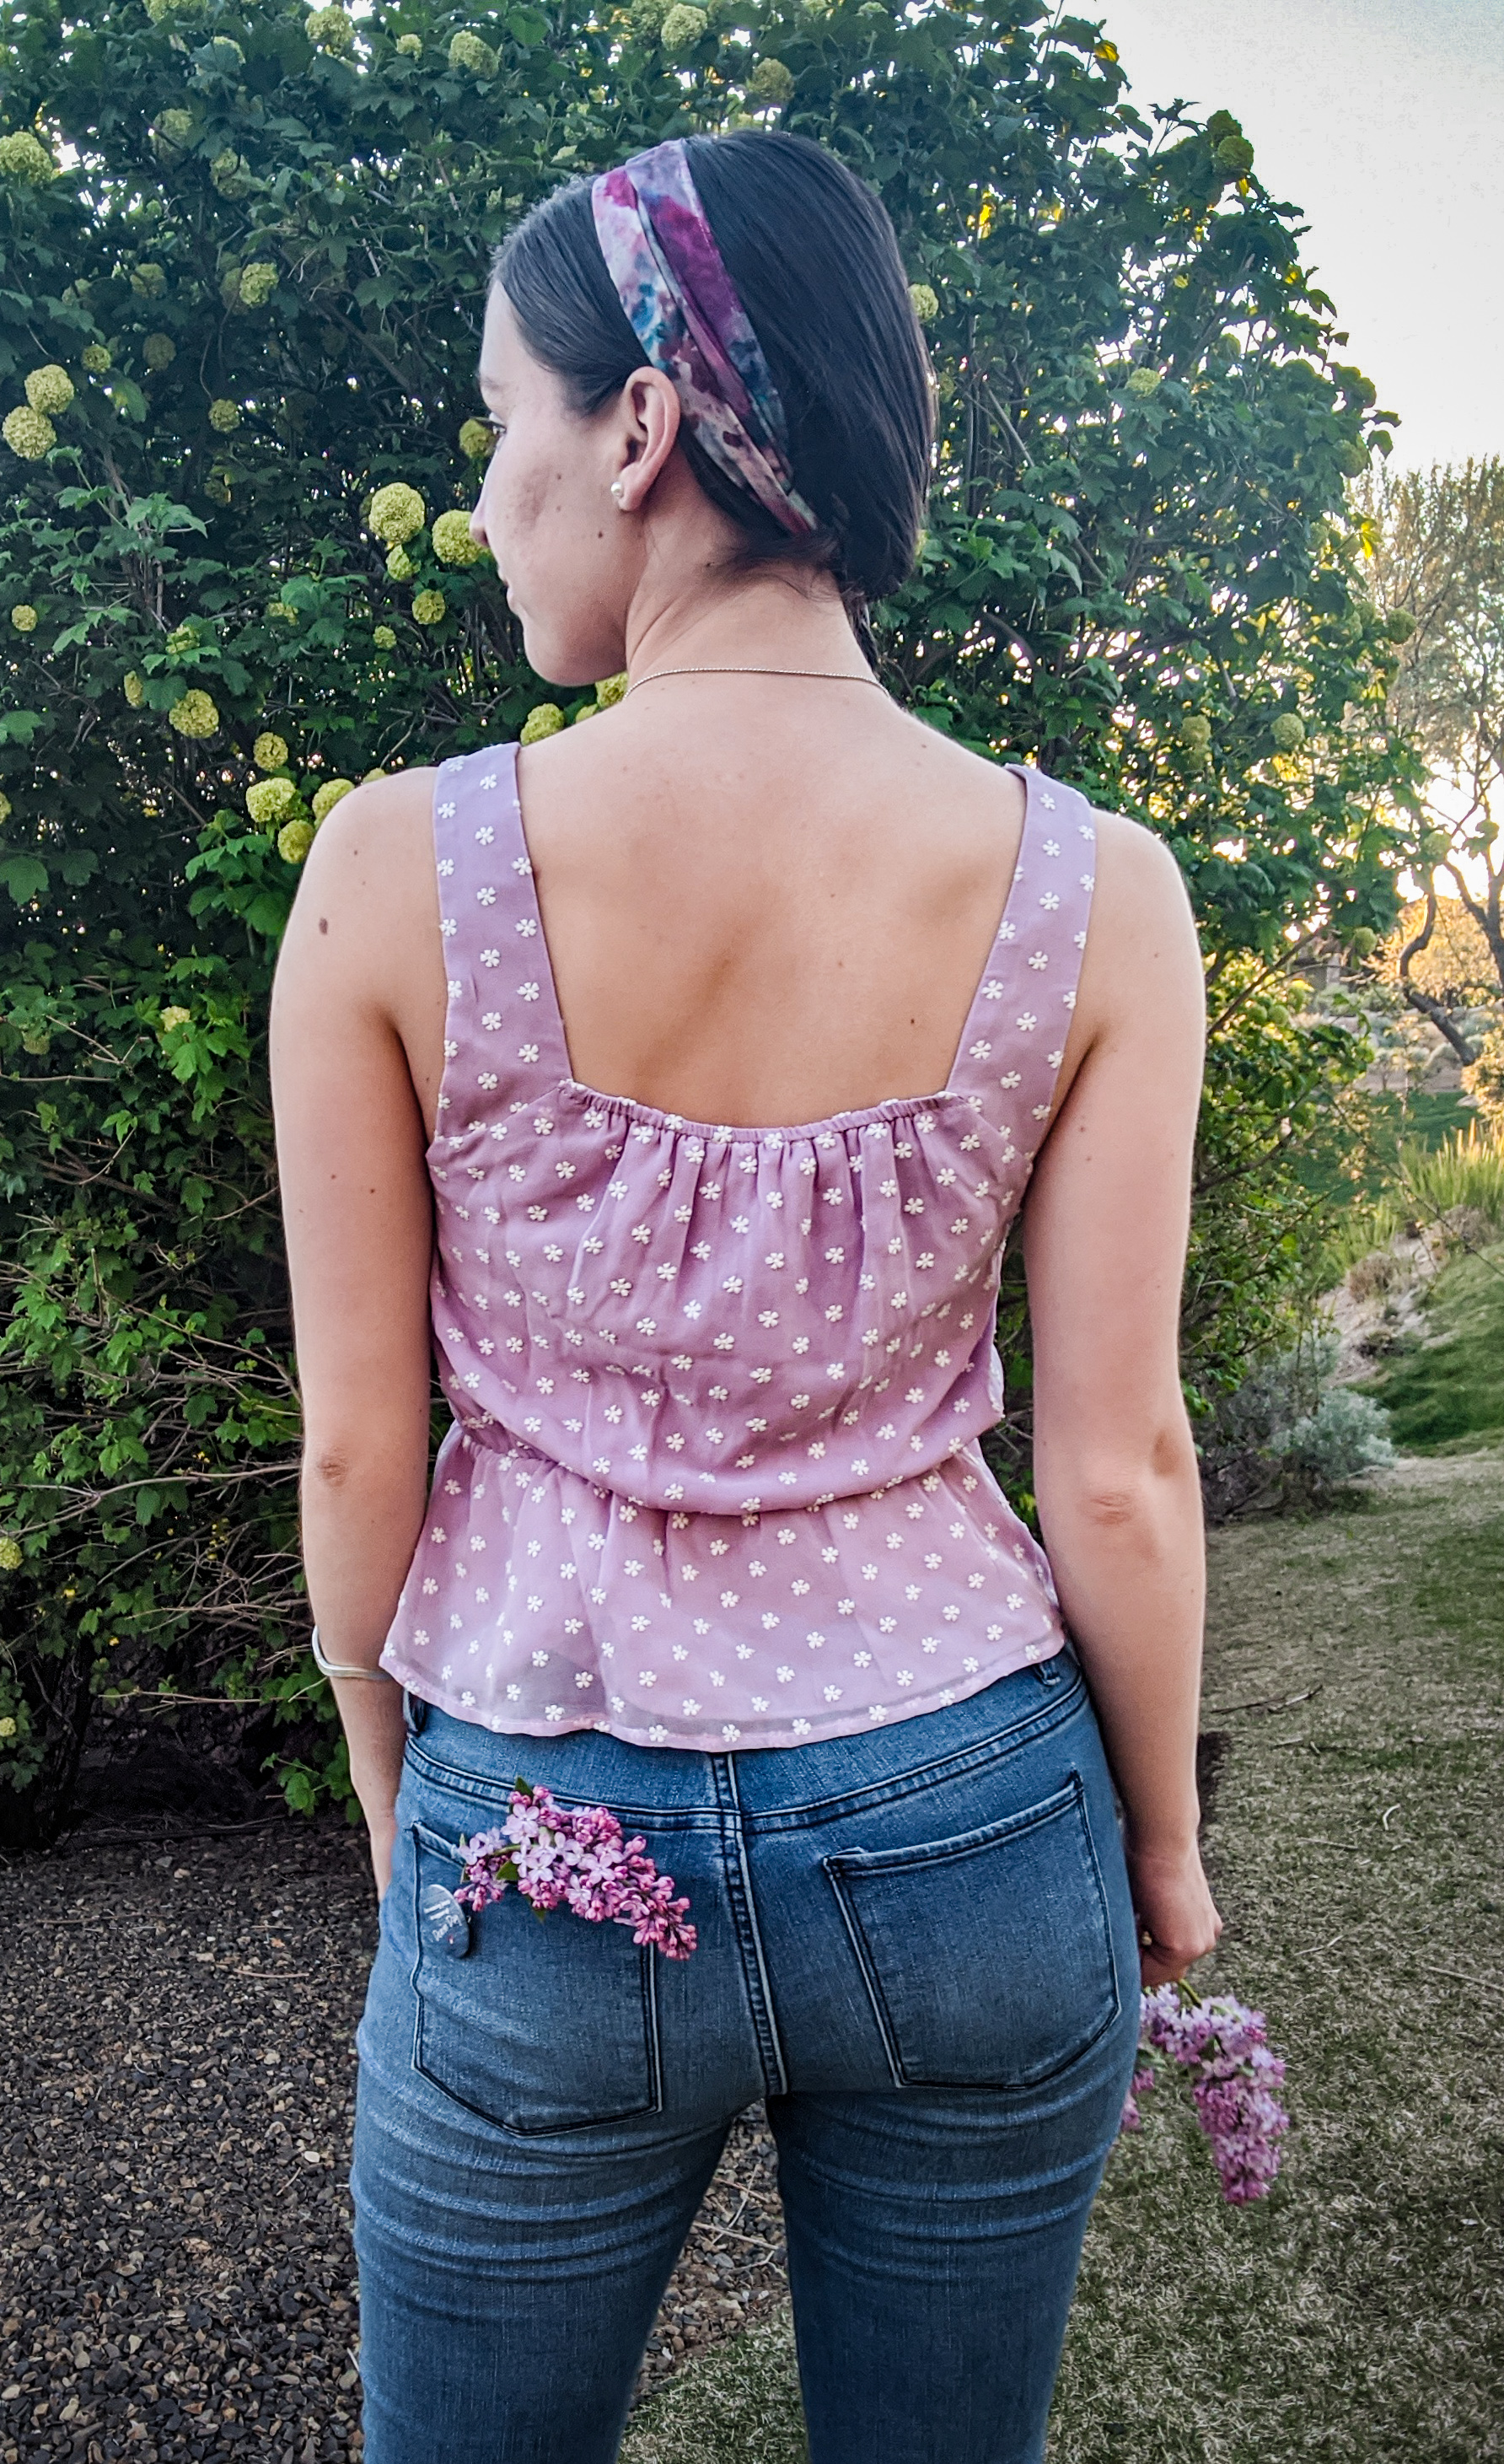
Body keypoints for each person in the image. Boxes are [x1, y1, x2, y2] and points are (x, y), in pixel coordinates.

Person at [269, 127, 1220, 2464]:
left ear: (638, 422)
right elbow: (1117, 1465)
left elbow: (353, 1451)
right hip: (978, 1818)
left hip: (540, 1843)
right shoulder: (1099, 895)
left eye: (506, 418)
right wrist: (1165, 1847)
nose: (488, 492)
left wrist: (398, 1783)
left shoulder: (399, 873)